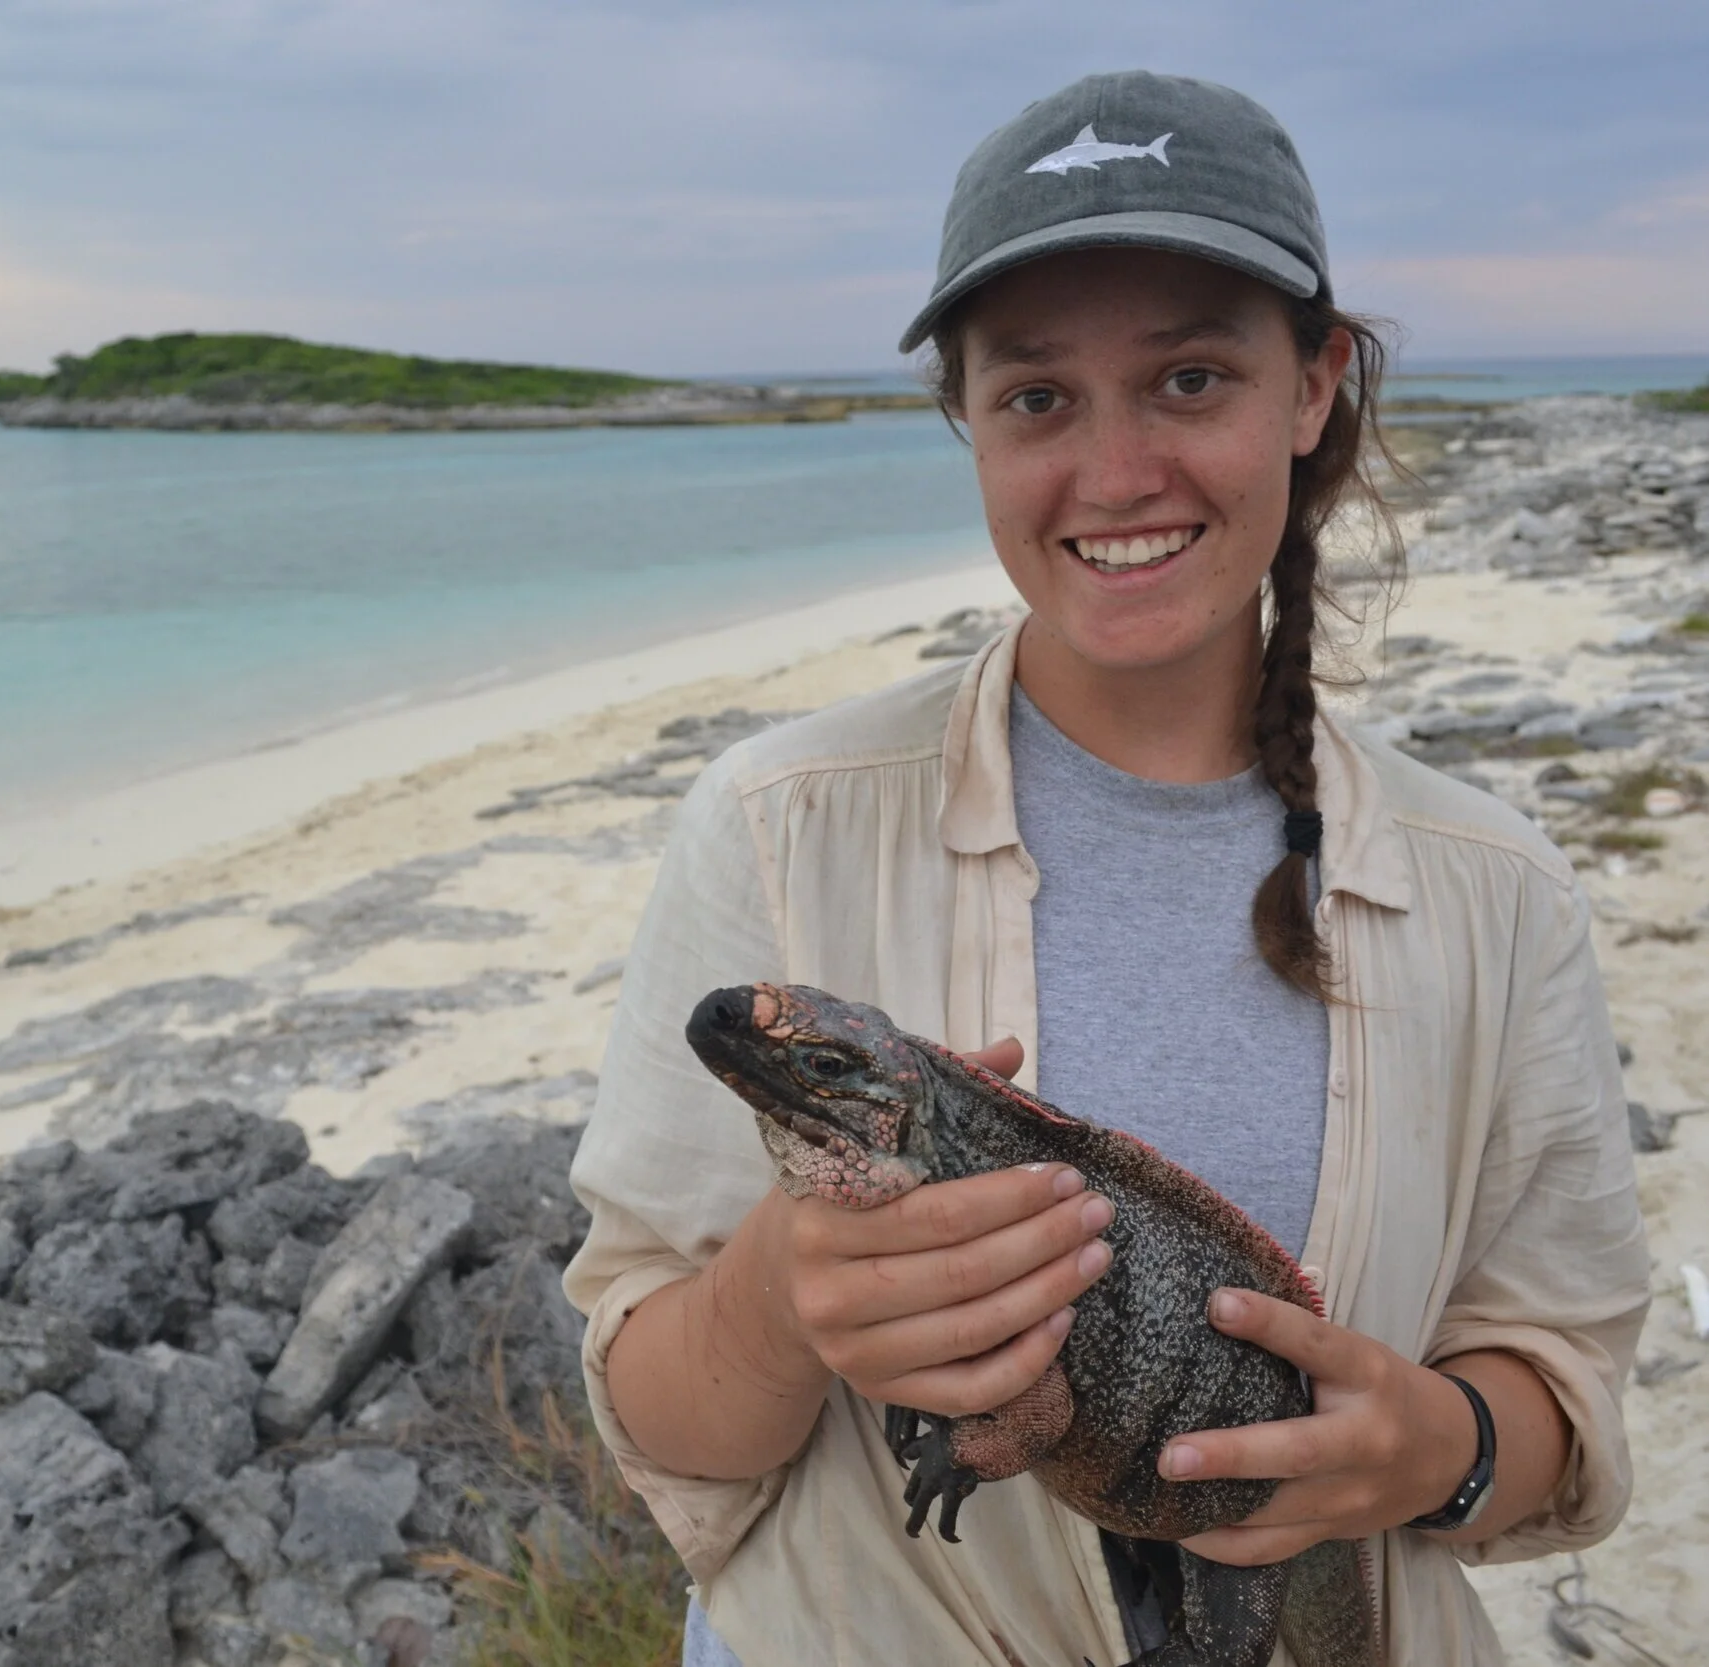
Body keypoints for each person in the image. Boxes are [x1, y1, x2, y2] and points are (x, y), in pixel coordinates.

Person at [562, 70, 1651, 1665]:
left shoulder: (1492, 889)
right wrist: (786, 1294)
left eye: (1191, 378)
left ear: (1313, 387)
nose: (1116, 472)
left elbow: (1560, 1384)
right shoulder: (777, 820)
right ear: (967, 421)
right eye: (1036, 398)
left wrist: (1435, 1444)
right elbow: (663, 1415)